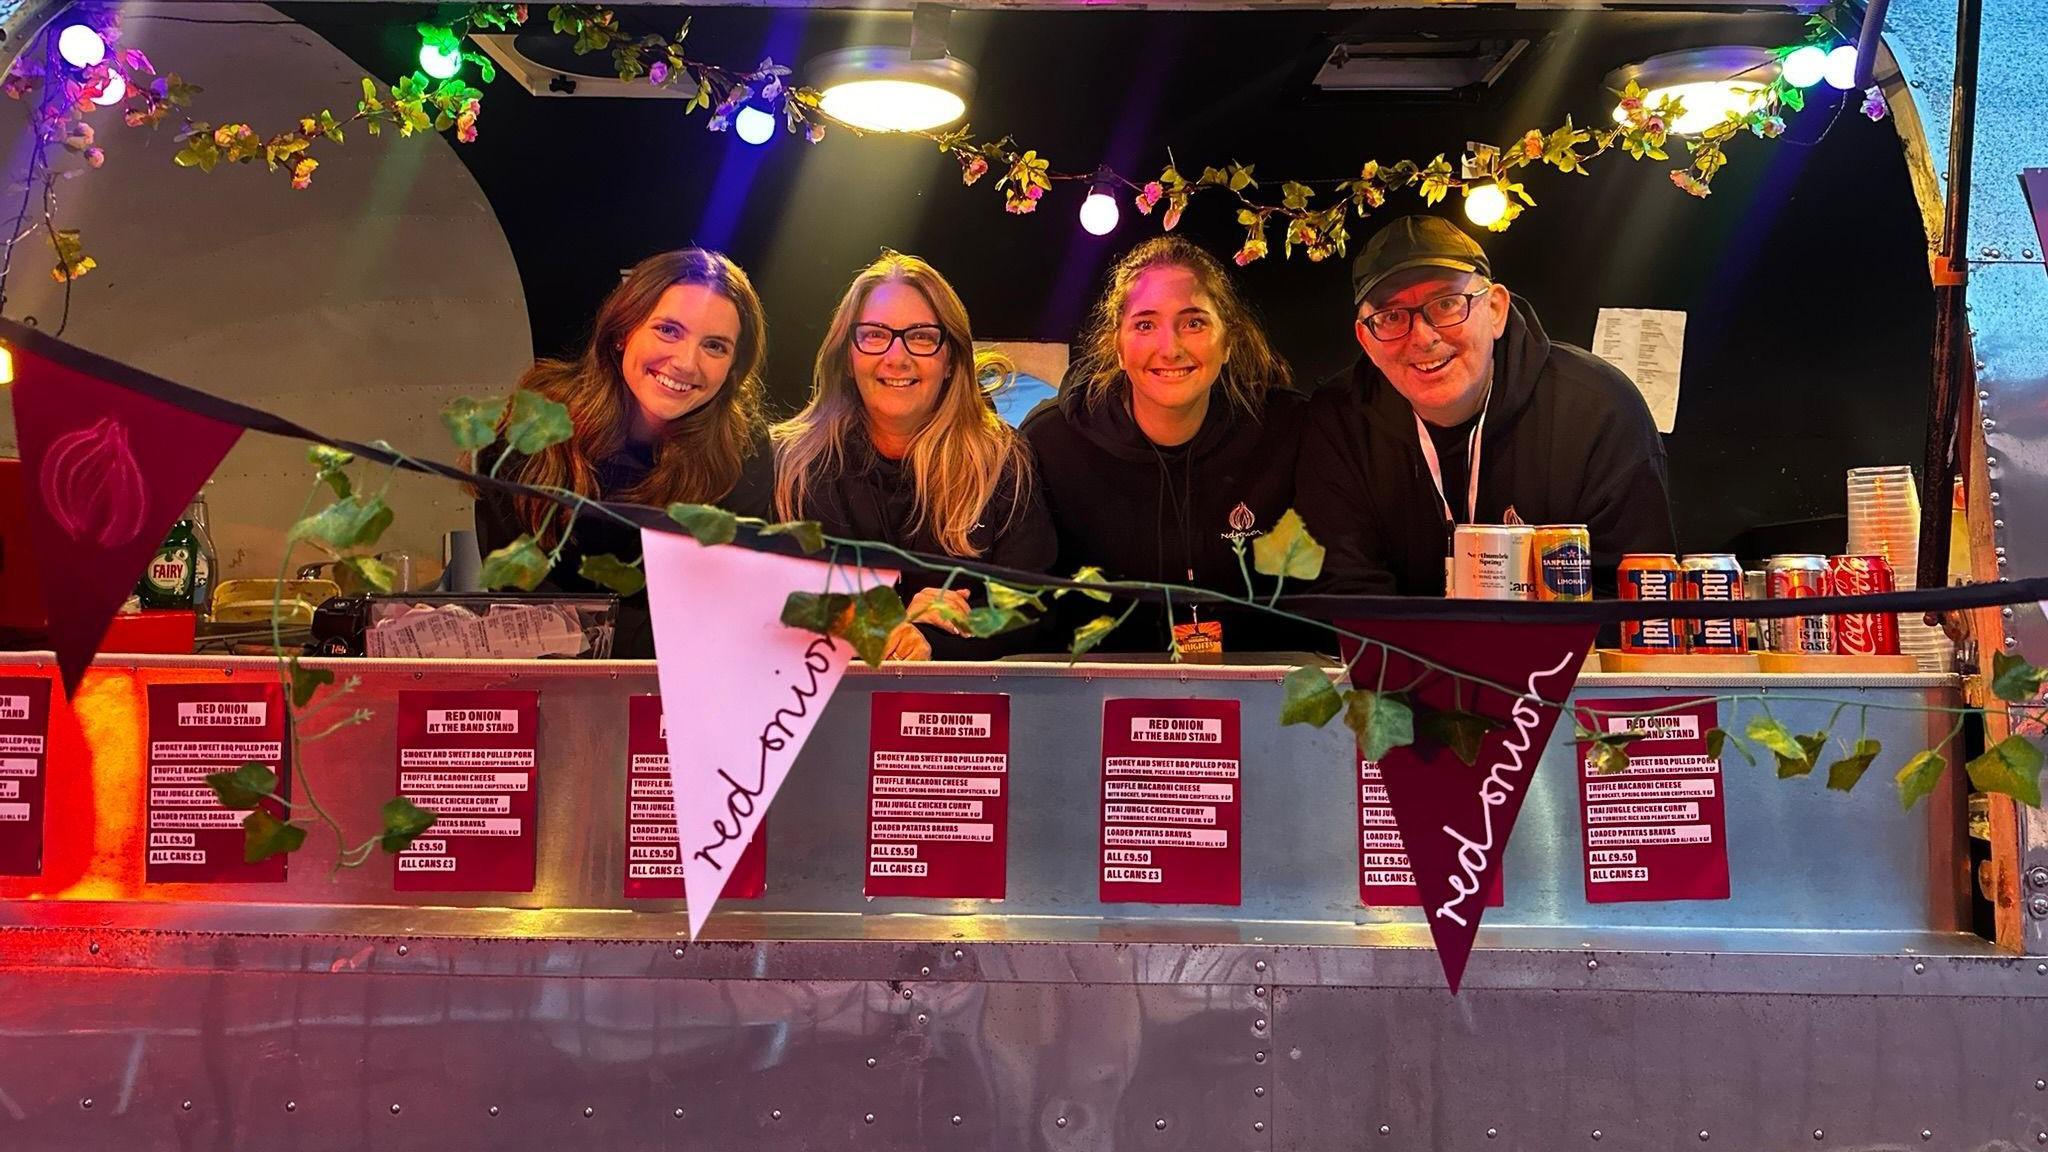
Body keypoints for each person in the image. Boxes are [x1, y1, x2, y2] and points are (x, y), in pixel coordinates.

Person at [1295, 215, 1675, 598]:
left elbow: (1632, 596)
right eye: (1392, 316)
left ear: (1495, 309)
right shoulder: (1338, 420)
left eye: (1446, 304)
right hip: (1396, 657)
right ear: (1366, 339)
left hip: (1562, 658)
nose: (1423, 337)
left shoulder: (1598, 408)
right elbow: (1346, 591)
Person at [1022, 236, 1319, 657]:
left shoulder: (1289, 430)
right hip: (1098, 700)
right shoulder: (1051, 443)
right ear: (1119, 348)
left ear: (1228, 341)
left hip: (1262, 699)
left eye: (1194, 322)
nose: (1171, 347)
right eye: (1145, 324)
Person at [472, 247, 773, 657]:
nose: (686, 362)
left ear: (734, 368)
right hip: (556, 682)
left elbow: (720, 609)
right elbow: (523, 604)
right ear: (620, 333)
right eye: (668, 330)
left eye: (715, 346)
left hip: (676, 689)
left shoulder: (743, 447)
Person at [773, 251, 1055, 661]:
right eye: (873, 335)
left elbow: (1032, 611)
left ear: (951, 360)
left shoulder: (1003, 461)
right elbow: (767, 614)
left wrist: (936, 637)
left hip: (959, 715)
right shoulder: (791, 463)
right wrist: (891, 622)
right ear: (847, 358)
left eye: (921, 336)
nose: (896, 356)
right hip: (817, 711)